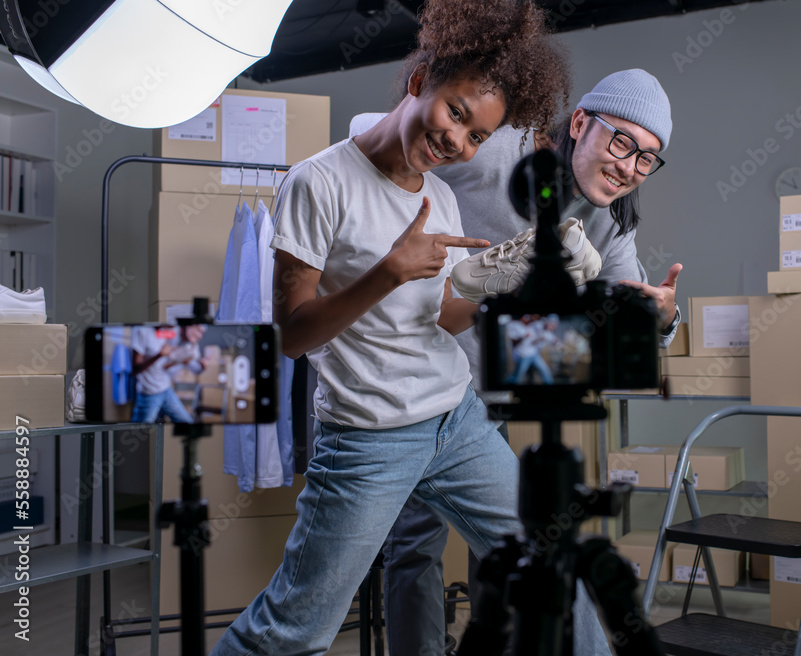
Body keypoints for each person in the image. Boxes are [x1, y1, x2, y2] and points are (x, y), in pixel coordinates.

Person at [208, 2, 614, 655]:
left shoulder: (440, 195)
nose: (458, 142)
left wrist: (501, 278)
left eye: (478, 136)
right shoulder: (318, 183)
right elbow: (290, 337)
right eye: (457, 114)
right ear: (421, 78)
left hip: (458, 422)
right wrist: (387, 272)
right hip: (369, 438)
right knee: (293, 630)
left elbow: (445, 315)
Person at [360, 68, 683, 656]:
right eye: (621, 143)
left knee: (527, 543)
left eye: (647, 160)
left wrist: (659, 318)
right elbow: (378, 140)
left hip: (491, 392)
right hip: (419, 380)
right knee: (414, 547)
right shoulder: (496, 149)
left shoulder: (609, 218)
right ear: (580, 122)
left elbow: (629, 308)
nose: (629, 167)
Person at [130, 324, 206, 423]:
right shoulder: (142, 331)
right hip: (150, 393)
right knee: (139, 433)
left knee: (187, 423)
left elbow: (163, 365)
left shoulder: (164, 332)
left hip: (166, 389)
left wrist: (182, 360)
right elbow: (135, 369)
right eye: (198, 330)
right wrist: (159, 355)